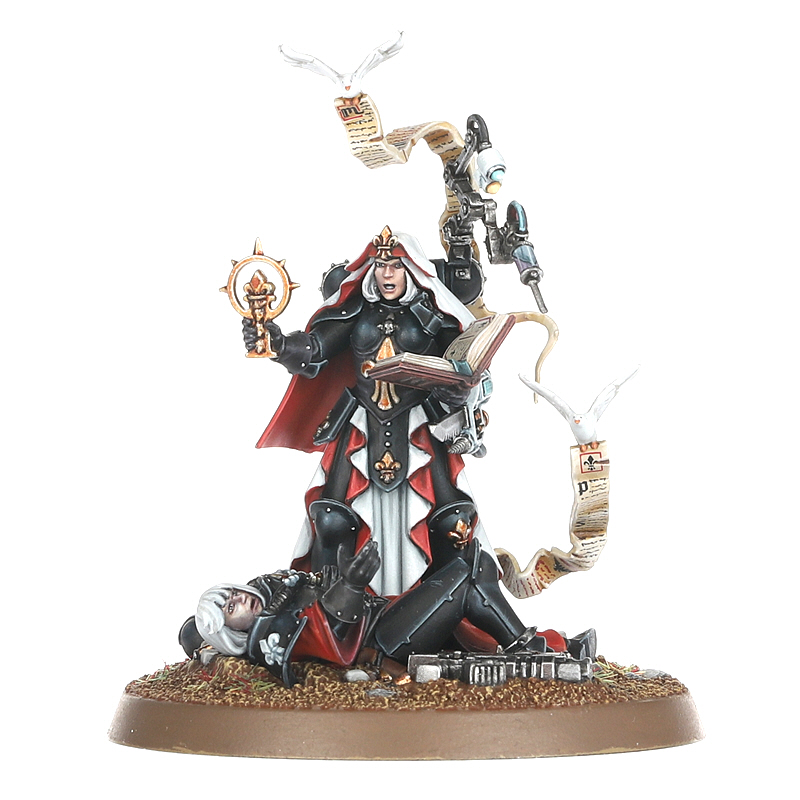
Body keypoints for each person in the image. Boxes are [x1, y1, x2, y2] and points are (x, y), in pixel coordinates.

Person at [247, 226, 497, 606]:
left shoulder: (435, 314)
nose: (387, 274)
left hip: (420, 427)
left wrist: (460, 389)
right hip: (360, 428)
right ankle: (328, 613)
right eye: (380, 266)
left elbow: (468, 366)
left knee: (452, 522)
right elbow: (315, 350)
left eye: (395, 266)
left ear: (411, 269)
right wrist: (279, 344)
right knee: (331, 520)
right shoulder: (355, 310)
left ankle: (455, 610)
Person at [180, 540, 597, 687]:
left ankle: (537, 646)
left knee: (472, 559)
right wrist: (350, 585)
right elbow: (325, 632)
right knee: (466, 573)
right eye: (230, 607)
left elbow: (319, 588)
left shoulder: (275, 587)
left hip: (387, 615)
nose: (240, 599)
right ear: (227, 633)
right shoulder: (265, 638)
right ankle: (532, 648)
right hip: (382, 642)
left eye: (232, 594)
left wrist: (342, 577)